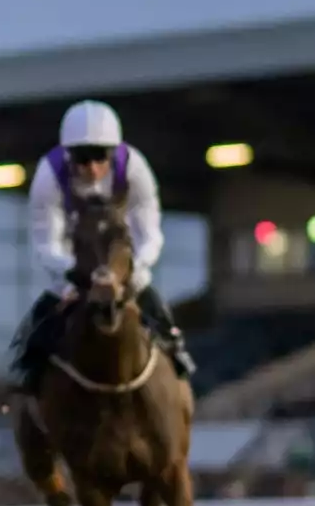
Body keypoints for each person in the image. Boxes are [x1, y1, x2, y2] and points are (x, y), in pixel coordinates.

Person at [10, 99, 192, 385]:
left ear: (113, 153)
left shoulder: (135, 168)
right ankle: (27, 366)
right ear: (68, 156)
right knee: (45, 313)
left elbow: (150, 234)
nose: (92, 168)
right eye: (82, 159)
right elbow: (47, 243)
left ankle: (176, 348)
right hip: (76, 262)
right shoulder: (48, 176)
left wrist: (129, 270)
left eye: (99, 157)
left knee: (149, 294)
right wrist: (77, 274)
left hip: (122, 258)